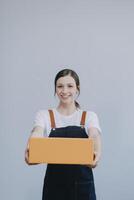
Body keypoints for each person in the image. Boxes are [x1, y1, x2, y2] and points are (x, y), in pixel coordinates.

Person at [25, 69, 102, 200]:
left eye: (70, 86)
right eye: (60, 86)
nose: (64, 91)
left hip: (82, 186)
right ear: (55, 89)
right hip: (54, 186)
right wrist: (31, 145)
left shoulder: (89, 116)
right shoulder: (45, 115)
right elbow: (37, 131)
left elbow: (94, 135)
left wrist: (97, 151)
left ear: (77, 89)